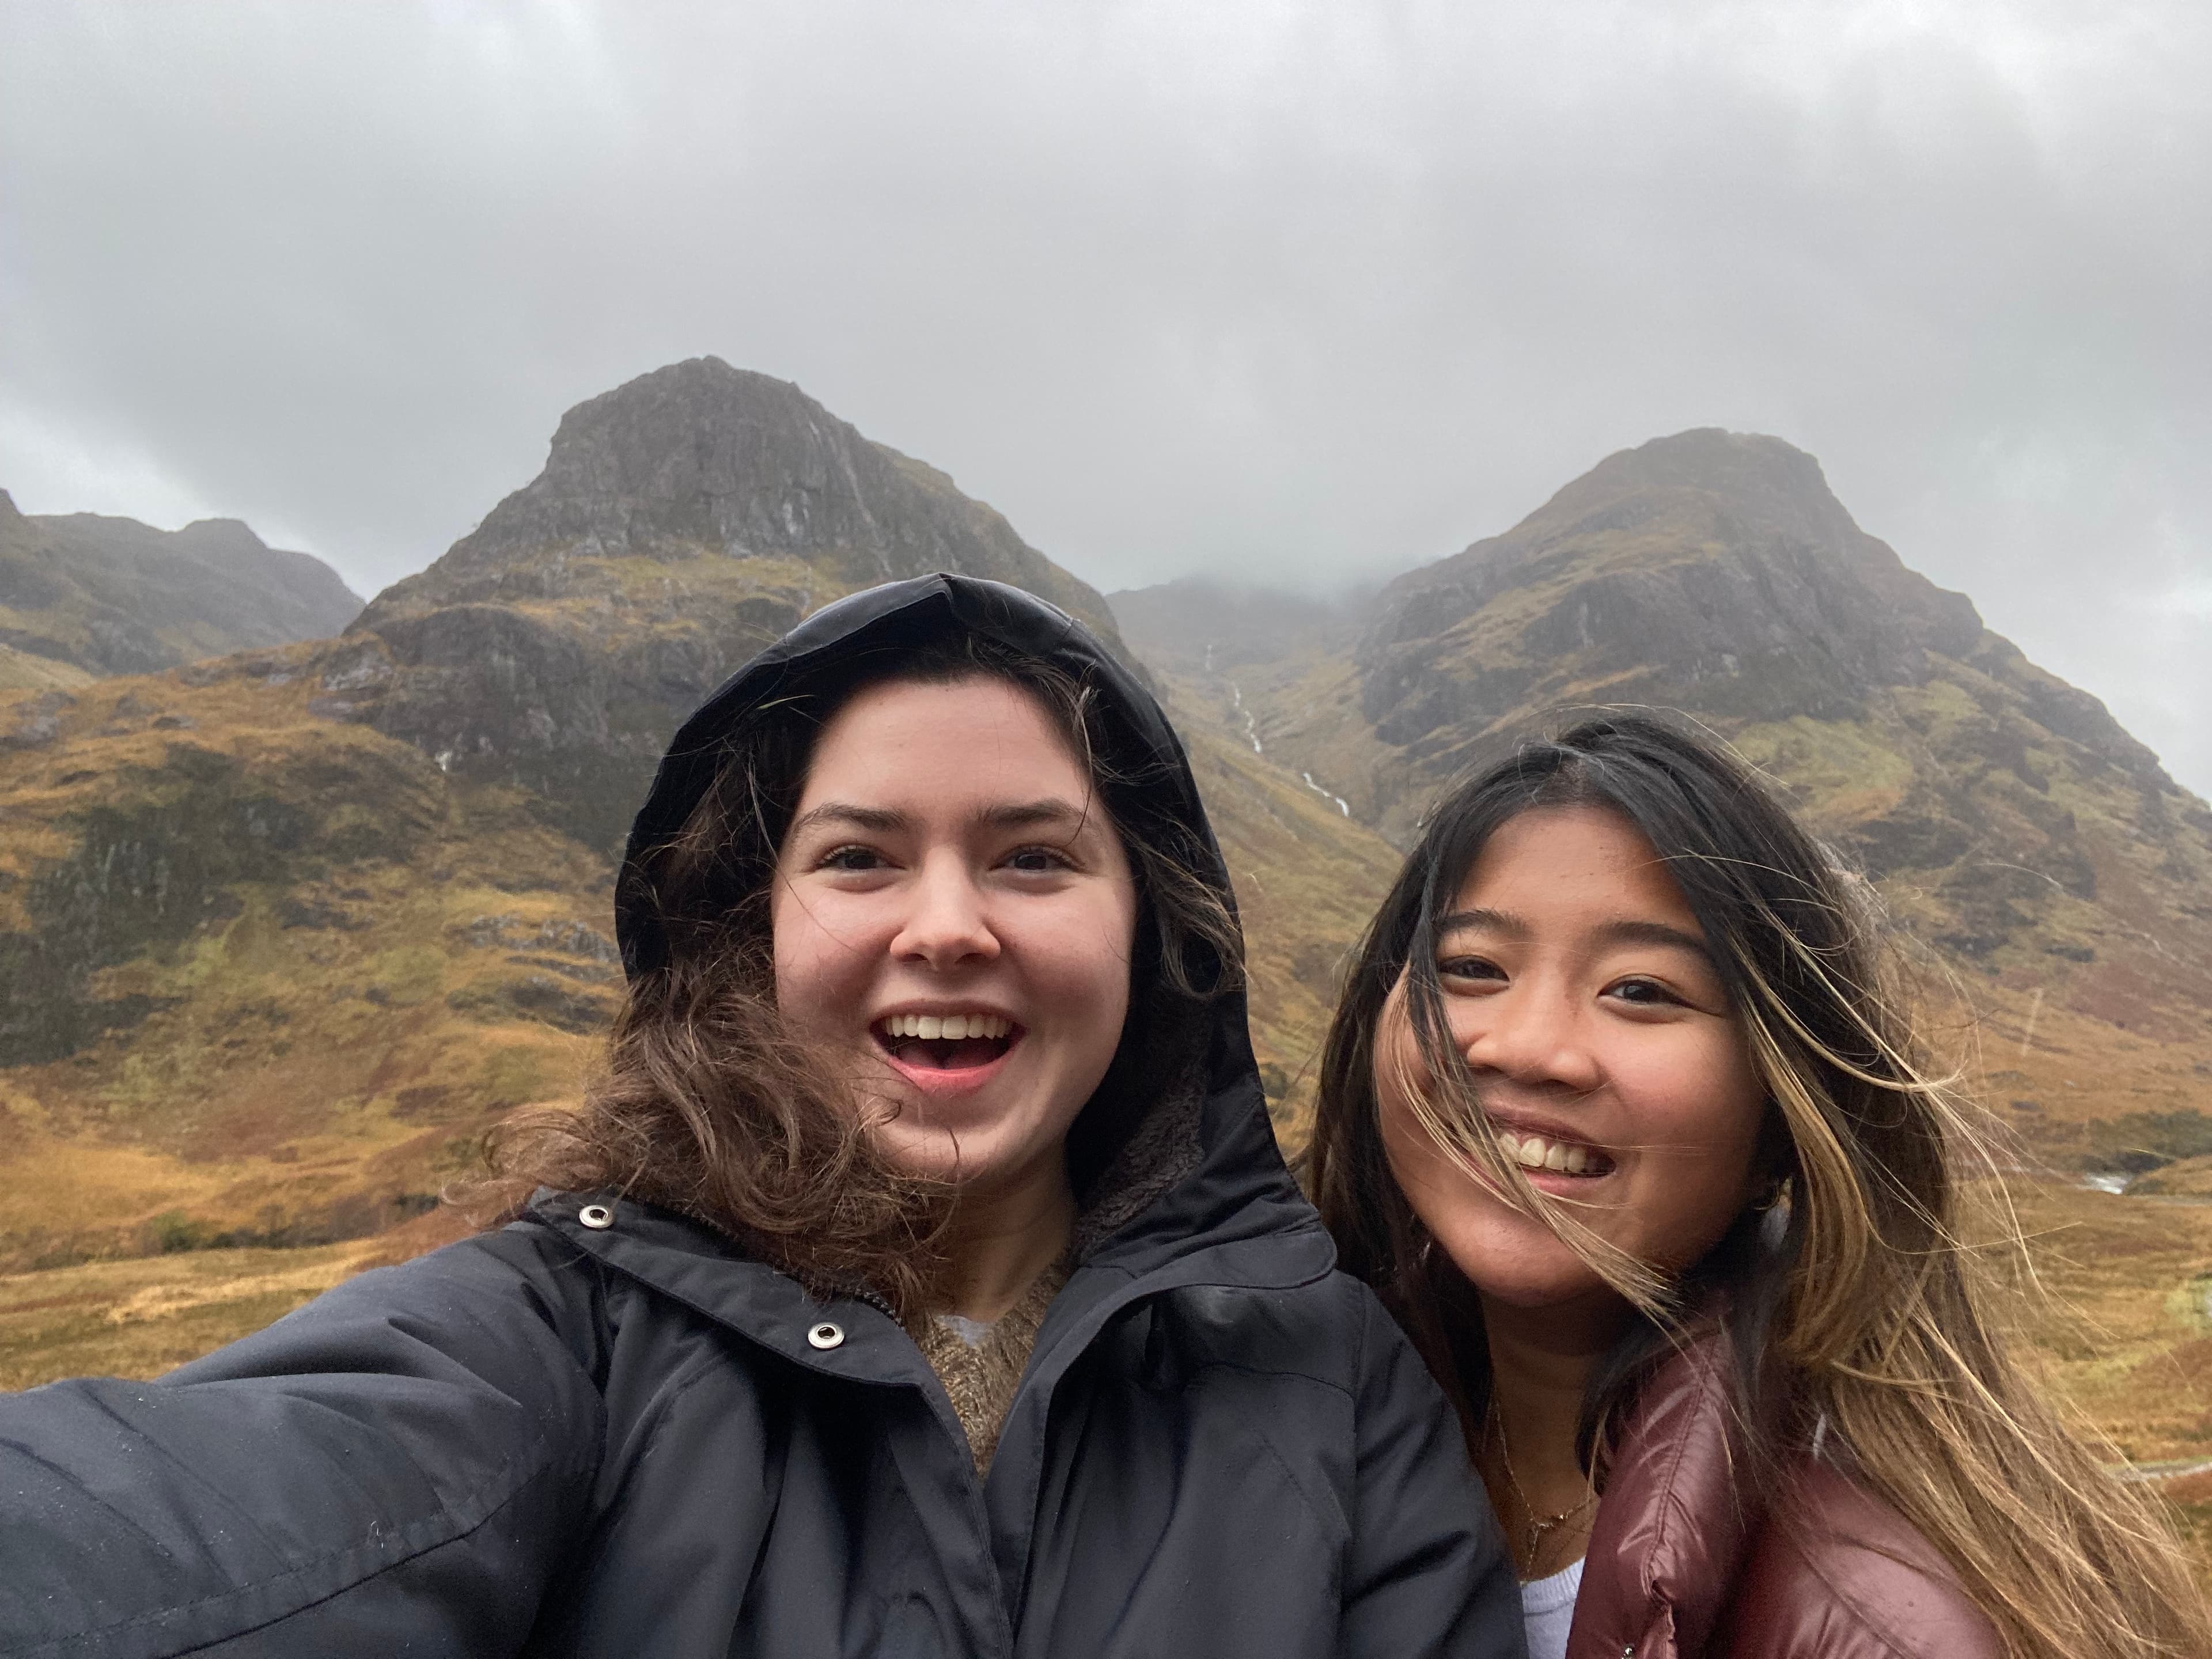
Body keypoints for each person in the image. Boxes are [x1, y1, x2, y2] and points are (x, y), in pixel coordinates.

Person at [0, 574, 1520, 1658]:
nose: (949, 926)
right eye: (860, 858)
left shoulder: (1331, 1379)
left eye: (1036, 859)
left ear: (1150, 936)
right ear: (754, 932)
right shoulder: (564, 1335)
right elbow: (192, 1518)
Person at [1306, 714, 2211, 1659]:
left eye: (1642, 989)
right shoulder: (1272, 1399)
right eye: (1470, 969)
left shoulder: (1879, 1630)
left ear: (1786, 1113)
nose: (1529, 1047)